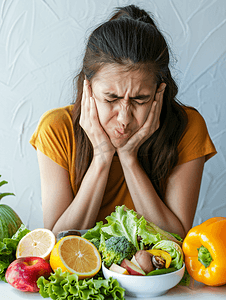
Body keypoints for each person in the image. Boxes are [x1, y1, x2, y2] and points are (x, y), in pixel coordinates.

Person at [30, 5, 216, 238]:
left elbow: (176, 239)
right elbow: (59, 241)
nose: (124, 118)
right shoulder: (56, 129)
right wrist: (101, 157)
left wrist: (129, 159)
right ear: (88, 89)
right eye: (111, 98)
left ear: (160, 93)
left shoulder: (187, 127)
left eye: (140, 99)